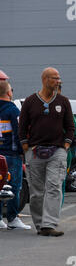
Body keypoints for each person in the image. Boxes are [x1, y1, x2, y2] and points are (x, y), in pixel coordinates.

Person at [19, 67, 75, 236]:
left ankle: (49, 224)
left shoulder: (63, 101)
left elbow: (70, 127)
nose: (58, 81)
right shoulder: (30, 101)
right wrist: (25, 147)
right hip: (34, 151)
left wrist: (65, 146)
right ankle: (40, 225)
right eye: (54, 78)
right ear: (44, 79)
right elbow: (21, 127)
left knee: (54, 187)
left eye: (59, 78)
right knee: (36, 193)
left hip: (57, 151)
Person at [0, 81, 30, 230]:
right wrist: (22, 151)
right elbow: (20, 133)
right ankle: (12, 219)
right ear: (9, 92)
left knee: (0, 186)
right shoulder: (13, 110)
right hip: (11, 155)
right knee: (14, 187)